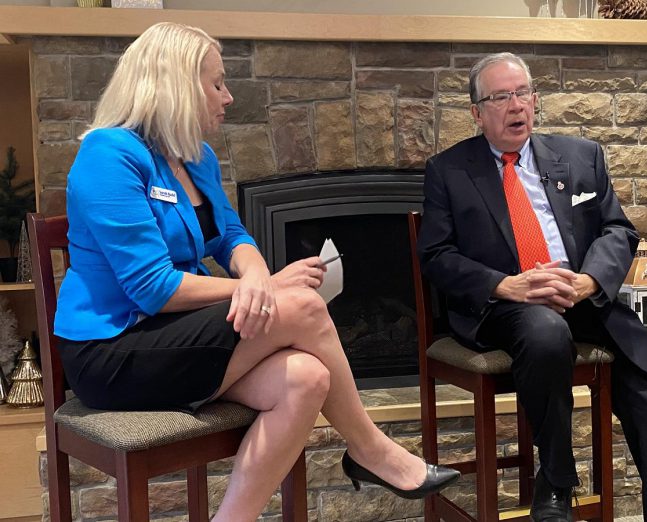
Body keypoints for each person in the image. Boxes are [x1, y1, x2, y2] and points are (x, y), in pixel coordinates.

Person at [54, 22, 459, 522]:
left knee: (307, 378)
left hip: (176, 336)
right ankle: (371, 450)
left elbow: (232, 238)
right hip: (114, 351)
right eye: (217, 83)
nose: (227, 96)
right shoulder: (108, 155)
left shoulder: (194, 156)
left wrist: (254, 278)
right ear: (177, 84)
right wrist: (264, 288)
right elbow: (151, 287)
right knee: (304, 304)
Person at [417, 52, 647, 522]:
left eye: (523, 93)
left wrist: (589, 280)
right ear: (476, 112)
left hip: (584, 299)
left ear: (535, 99)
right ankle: (557, 481)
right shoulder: (449, 170)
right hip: (507, 306)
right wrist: (507, 285)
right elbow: (436, 255)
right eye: (500, 97)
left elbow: (618, 230)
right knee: (545, 330)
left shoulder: (581, 156)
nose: (516, 106)